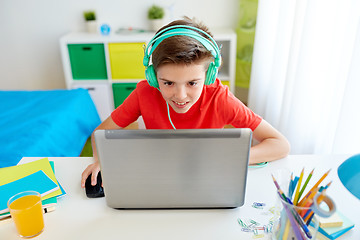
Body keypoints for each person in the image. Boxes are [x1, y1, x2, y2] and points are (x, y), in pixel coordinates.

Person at [81, 17, 290, 188]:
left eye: (192, 83)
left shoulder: (220, 98)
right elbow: (99, 135)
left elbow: (280, 144)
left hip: (207, 179)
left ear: (208, 77)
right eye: (168, 83)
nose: (180, 96)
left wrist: (228, 158)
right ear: (154, 78)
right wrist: (100, 161)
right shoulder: (144, 93)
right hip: (160, 176)